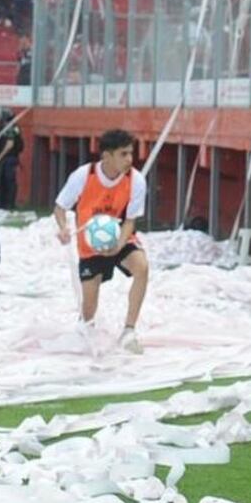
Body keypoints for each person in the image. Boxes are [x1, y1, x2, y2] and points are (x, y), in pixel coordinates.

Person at [53, 129, 149, 354]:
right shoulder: (83, 175)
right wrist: (64, 228)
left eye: (131, 153)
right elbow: (60, 208)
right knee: (89, 308)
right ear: (106, 156)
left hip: (121, 237)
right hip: (89, 245)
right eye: (123, 154)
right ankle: (86, 330)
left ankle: (129, 331)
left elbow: (130, 221)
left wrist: (118, 245)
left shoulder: (136, 180)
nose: (130, 159)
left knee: (142, 267)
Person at [0, 107, 23, 210]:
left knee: (8, 180)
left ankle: (9, 204)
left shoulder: (10, 127)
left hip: (8, 158)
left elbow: (9, 144)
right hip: (0, 158)